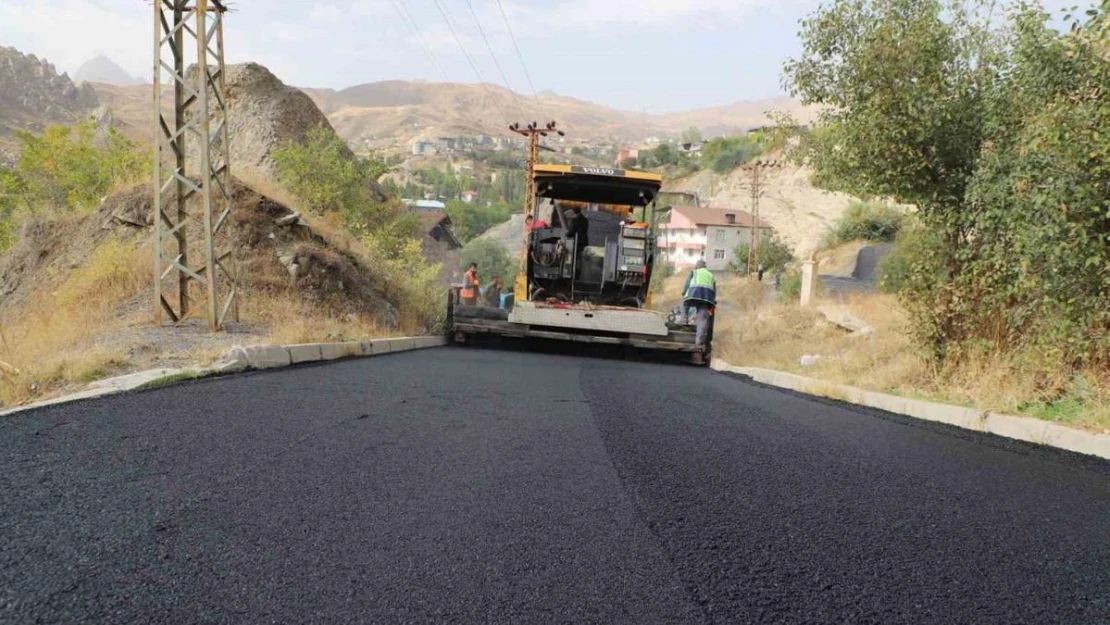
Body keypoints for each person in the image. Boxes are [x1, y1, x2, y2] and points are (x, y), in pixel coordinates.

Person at [682, 259, 717, 347]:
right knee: (702, 319)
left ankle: (683, 323)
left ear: (697, 266)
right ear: (705, 267)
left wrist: (684, 292)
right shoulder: (711, 275)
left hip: (694, 293)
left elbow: (687, 284)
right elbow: (714, 289)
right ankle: (698, 341)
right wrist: (713, 300)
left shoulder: (694, 272)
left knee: (685, 304)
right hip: (706, 298)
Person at [563, 206, 589, 274]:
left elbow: (571, 232)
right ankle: (579, 272)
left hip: (576, 242)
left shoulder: (574, 220)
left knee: (573, 258)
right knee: (580, 259)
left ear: (573, 212)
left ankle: (573, 272)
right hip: (584, 242)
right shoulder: (585, 220)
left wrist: (565, 235)